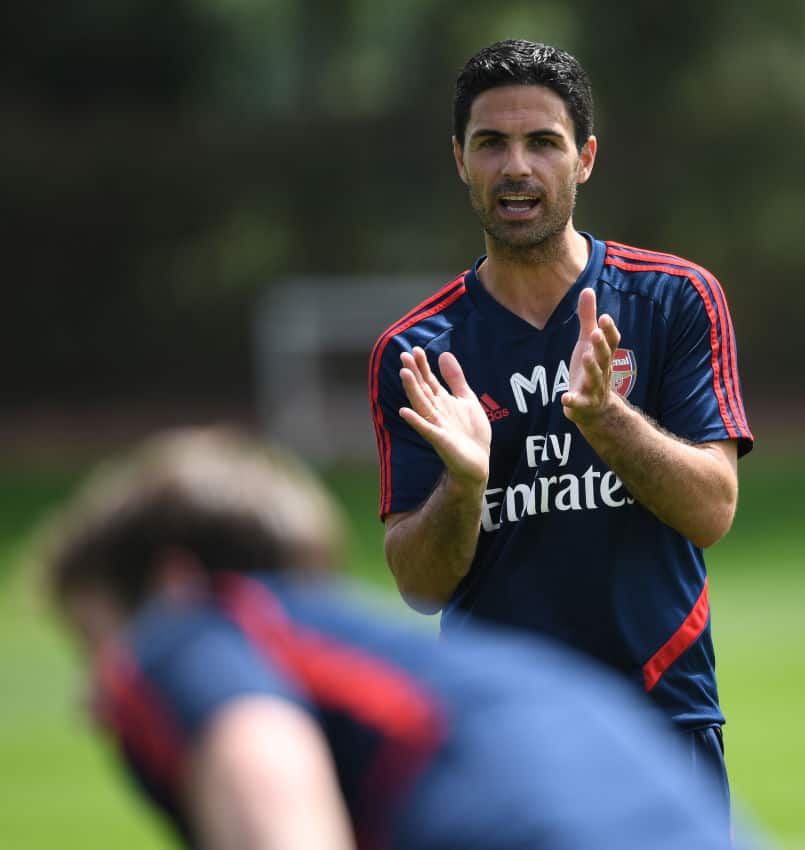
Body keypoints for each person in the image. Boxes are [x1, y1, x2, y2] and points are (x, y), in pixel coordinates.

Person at [368, 39, 755, 811]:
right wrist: (466, 484)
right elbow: (417, 585)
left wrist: (606, 419)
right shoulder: (416, 352)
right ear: (459, 160)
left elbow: (713, 509)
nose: (517, 166)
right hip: (502, 736)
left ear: (584, 159)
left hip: (659, 720)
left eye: (543, 142)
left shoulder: (674, 299)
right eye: (492, 143)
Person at [40, 427, 740, 850]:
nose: (95, 695)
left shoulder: (197, 624)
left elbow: (268, 787)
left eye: (96, 642)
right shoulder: (384, 653)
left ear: (171, 580)